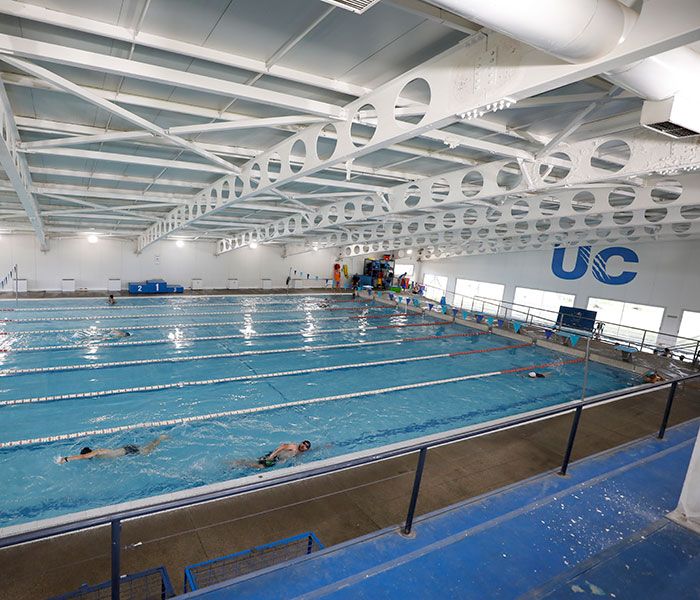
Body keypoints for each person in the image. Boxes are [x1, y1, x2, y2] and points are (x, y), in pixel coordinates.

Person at [59, 435, 168, 464]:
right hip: (125, 450)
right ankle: (158, 439)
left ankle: (160, 438)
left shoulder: (95, 452)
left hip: (127, 451)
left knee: (148, 451)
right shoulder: (98, 453)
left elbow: (82, 456)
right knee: (146, 449)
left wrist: (66, 459)